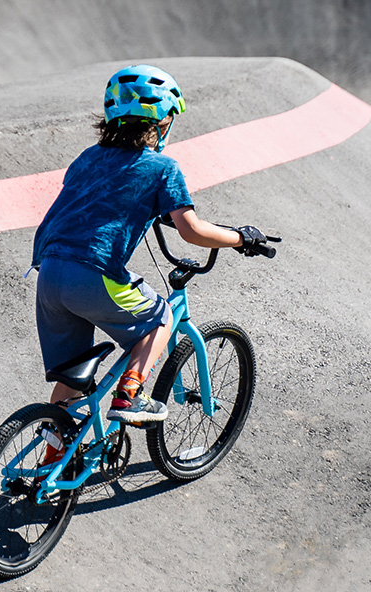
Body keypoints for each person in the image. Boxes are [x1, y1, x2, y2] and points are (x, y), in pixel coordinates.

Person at [30, 64, 272, 424]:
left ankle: (49, 461)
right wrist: (240, 238)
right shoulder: (162, 167)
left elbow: (95, 201)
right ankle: (129, 394)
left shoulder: (87, 158)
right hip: (93, 274)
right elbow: (191, 231)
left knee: (72, 377)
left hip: (48, 273)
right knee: (161, 317)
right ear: (161, 123)